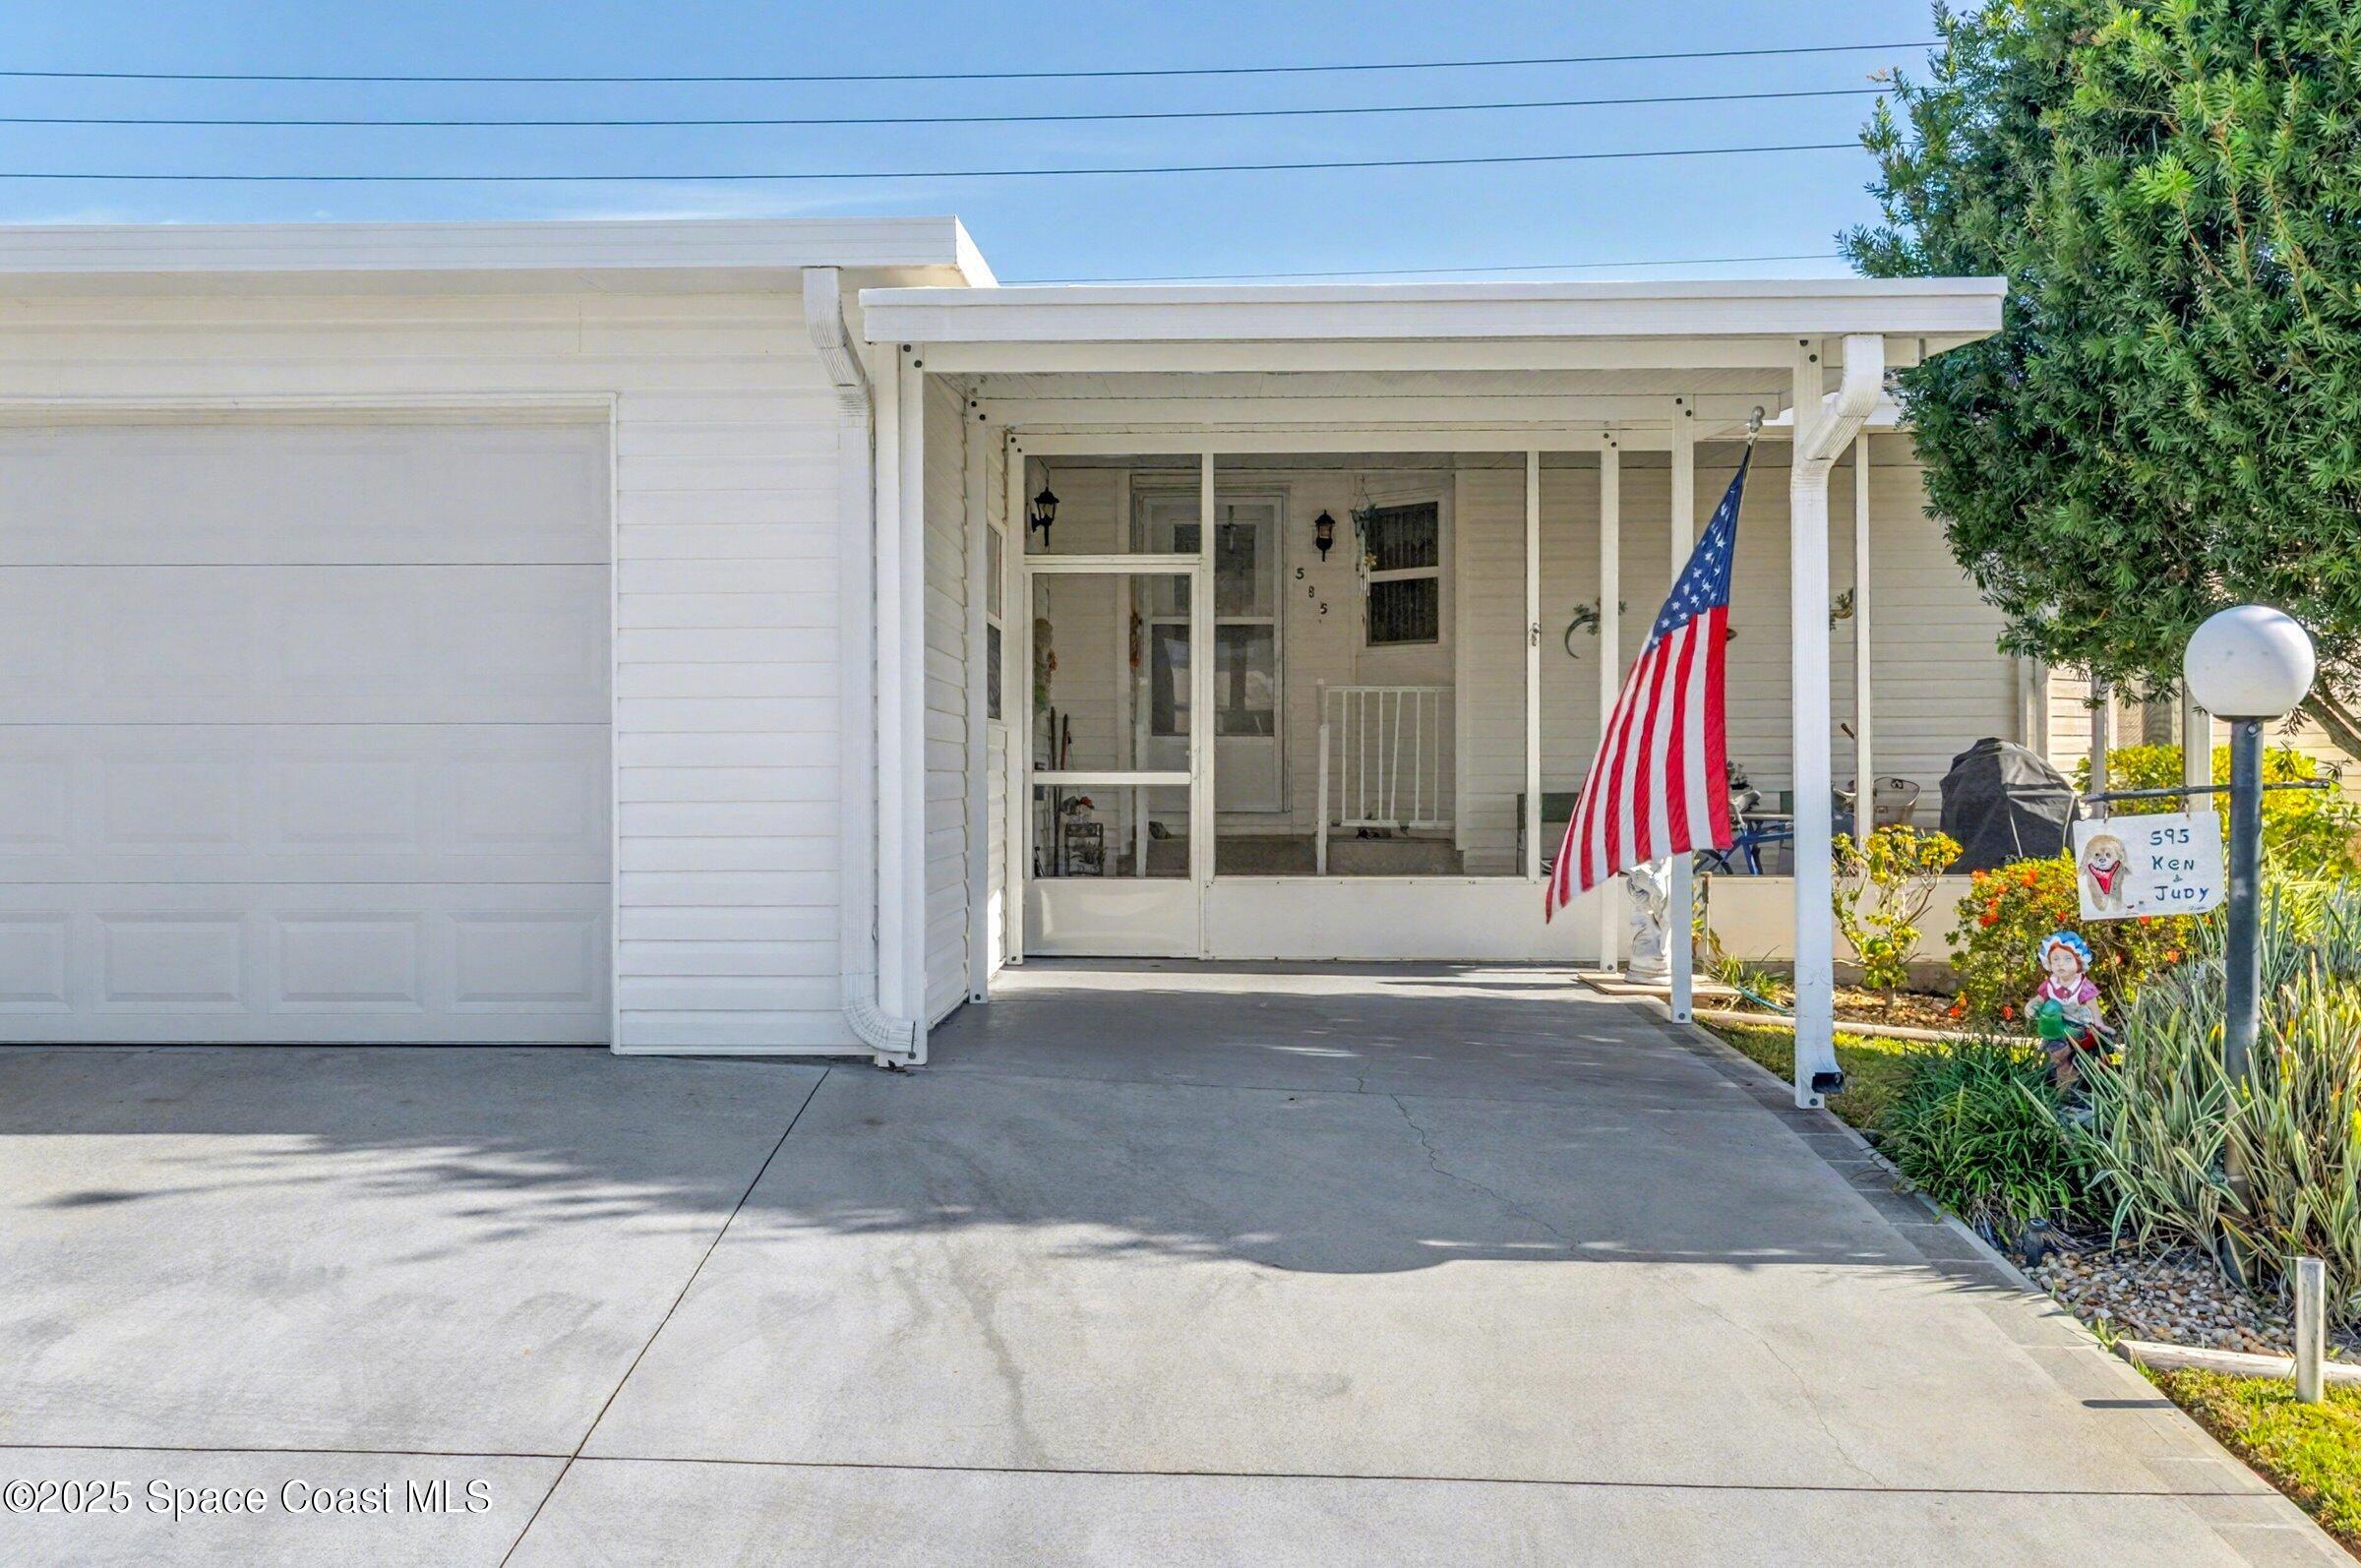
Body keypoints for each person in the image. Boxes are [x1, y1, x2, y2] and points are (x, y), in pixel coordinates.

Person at [2028, 931, 2112, 1093]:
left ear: (2079, 962)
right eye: (2056, 959)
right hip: (2055, 1029)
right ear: (2049, 963)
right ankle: (2063, 1085)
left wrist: (2099, 1025)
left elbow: (2094, 1008)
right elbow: (2038, 999)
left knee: (2084, 1057)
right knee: (2059, 1053)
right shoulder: (2050, 985)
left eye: (2067, 959)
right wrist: (2031, 1006)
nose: (2060, 964)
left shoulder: (2082, 986)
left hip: (2078, 1029)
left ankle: (2082, 1084)